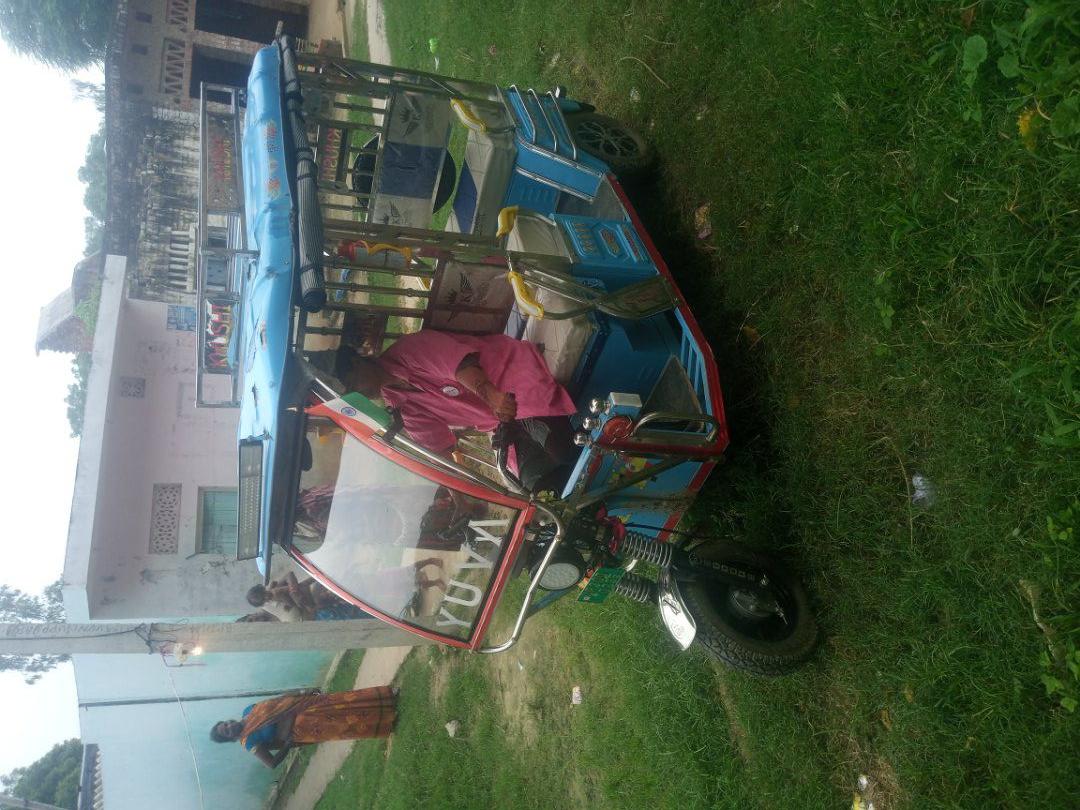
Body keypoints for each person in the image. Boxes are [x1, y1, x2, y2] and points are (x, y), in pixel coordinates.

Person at [331, 330, 578, 492]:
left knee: (565, 451)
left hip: (515, 382)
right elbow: (438, 451)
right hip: (504, 423)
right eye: (352, 393)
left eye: (354, 385)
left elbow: (461, 366)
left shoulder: (410, 350)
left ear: (357, 362)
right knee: (541, 488)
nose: (360, 393)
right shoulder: (397, 405)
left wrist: (493, 397)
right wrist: (459, 499)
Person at [210, 686, 397, 768]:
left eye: (225, 724)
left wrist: (303, 693)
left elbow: (279, 702)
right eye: (226, 731)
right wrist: (288, 745)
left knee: (341, 701)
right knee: (344, 723)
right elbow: (271, 764)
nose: (229, 726)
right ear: (230, 739)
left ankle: (386, 698)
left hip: (303, 705)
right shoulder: (248, 741)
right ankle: (385, 722)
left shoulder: (248, 710)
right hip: (304, 727)